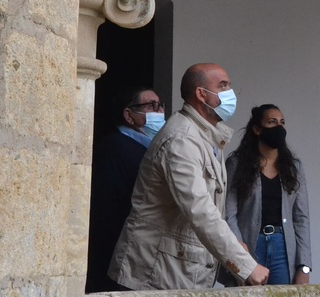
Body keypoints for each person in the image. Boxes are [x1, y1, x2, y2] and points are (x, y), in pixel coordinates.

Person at [108, 63, 270, 289]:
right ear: (201, 94)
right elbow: (199, 209)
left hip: (177, 269)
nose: (230, 93)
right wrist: (245, 265)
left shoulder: (205, 136)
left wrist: (234, 247)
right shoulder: (182, 139)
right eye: (222, 86)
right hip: (155, 274)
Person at [86, 87, 165, 292]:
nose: (158, 111)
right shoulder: (115, 148)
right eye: (150, 105)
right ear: (128, 115)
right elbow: (106, 208)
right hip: (118, 251)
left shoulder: (153, 147)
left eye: (160, 105)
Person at [225, 104, 311, 285]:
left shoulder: (294, 167)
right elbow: (229, 213)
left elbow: (301, 218)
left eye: (282, 123)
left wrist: (304, 266)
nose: (279, 127)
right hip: (249, 244)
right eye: (272, 122)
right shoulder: (237, 164)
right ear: (257, 129)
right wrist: (239, 250)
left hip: (283, 247)